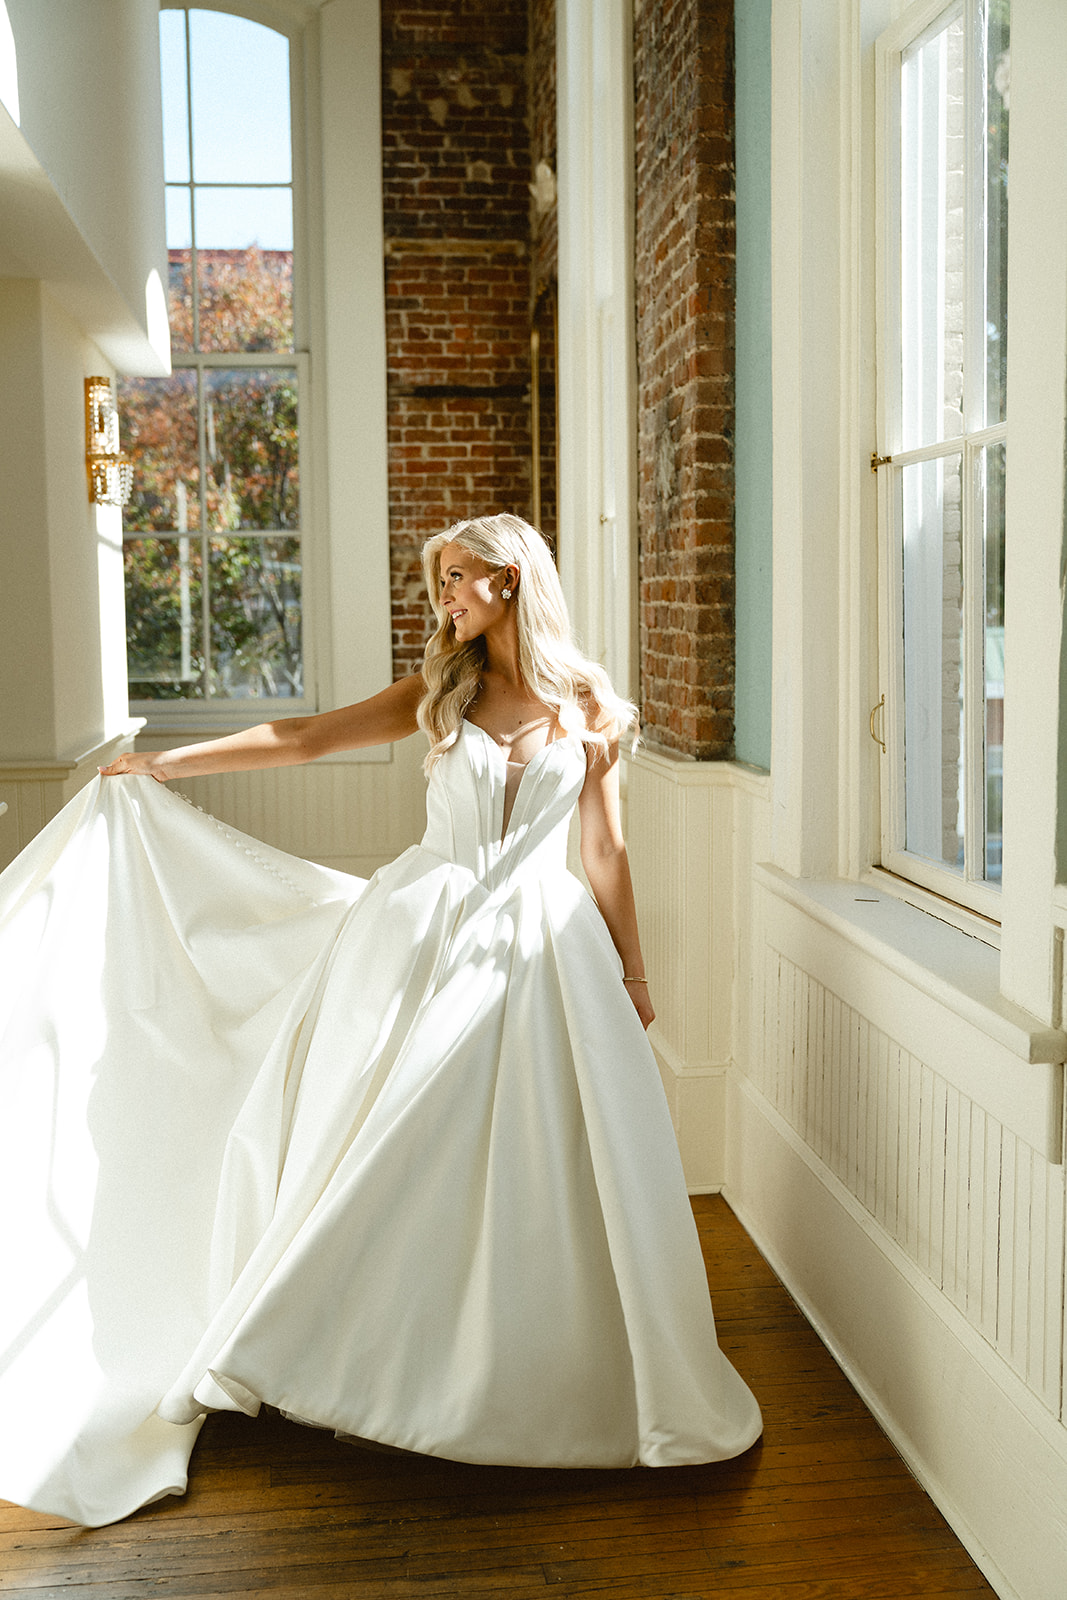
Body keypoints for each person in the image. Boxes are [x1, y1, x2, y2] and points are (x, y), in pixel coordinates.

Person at [0, 514, 761, 1528]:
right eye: (437, 579)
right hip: (419, 933)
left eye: (456, 576)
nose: (442, 595)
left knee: (545, 1161)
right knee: (390, 1139)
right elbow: (307, 736)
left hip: (543, 942)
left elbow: (606, 850)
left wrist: (631, 969)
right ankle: (348, 1348)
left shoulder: (588, 708)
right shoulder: (438, 694)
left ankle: (539, 1367)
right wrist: (168, 768)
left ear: (508, 578)